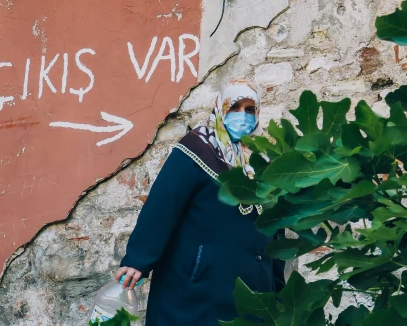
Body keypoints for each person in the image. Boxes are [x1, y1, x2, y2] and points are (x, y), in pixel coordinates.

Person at [115, 80, 285, 325]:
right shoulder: (196, 149)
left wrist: (277, 287)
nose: (242, 116)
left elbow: (275, 226)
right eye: (235, 106)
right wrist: (137, 260)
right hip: (200, 287)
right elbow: (163, 205)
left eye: (250, 110)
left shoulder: (263, 159)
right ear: (221, 107)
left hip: (254, 287)